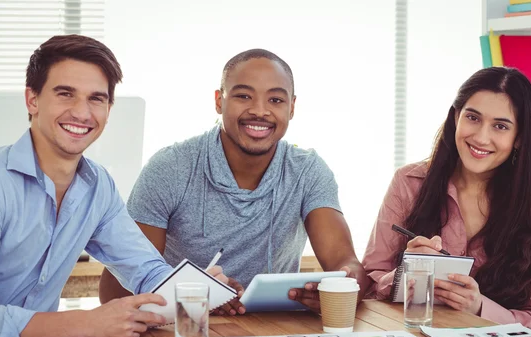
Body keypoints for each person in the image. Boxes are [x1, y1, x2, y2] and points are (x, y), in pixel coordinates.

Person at [0, 35, 228, 337]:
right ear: (32, 99)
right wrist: (87, 322)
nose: (82, 113)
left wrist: (189, 289)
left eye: (96, 98)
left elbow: (146, 270)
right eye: (65, 93)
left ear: (109, 109)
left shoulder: (97, 187)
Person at [99, 49, 369, 314]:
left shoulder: (307, 171)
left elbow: (346, 263)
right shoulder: (171, 167)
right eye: (243, 96)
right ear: (219, 101)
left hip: (274, 334)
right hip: (182, 333)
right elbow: (115, 293)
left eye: (275, 100)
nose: (260, 111)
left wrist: (348, 286)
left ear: (292, 107)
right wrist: (192, 293)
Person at [363, 67, 531, 337]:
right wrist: (407, 275)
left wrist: (480, 307)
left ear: (518, 138)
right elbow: (368, 287)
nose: (481, 137)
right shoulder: (409, 183)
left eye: (500, 126)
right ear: (456, 117)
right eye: (472, 118)